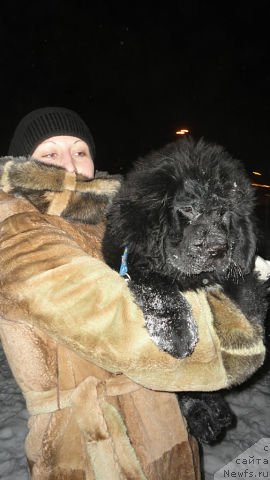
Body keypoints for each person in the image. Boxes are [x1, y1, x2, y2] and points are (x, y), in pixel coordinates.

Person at [0, 107, 264, 480]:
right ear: (24, 161)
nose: (70, 165)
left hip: (161, 434)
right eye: (49, 153)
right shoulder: (18, 231)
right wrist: (240, 328)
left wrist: (191, 399)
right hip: (94, 449)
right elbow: (131, 336)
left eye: (79, 151)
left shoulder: (103, 220)